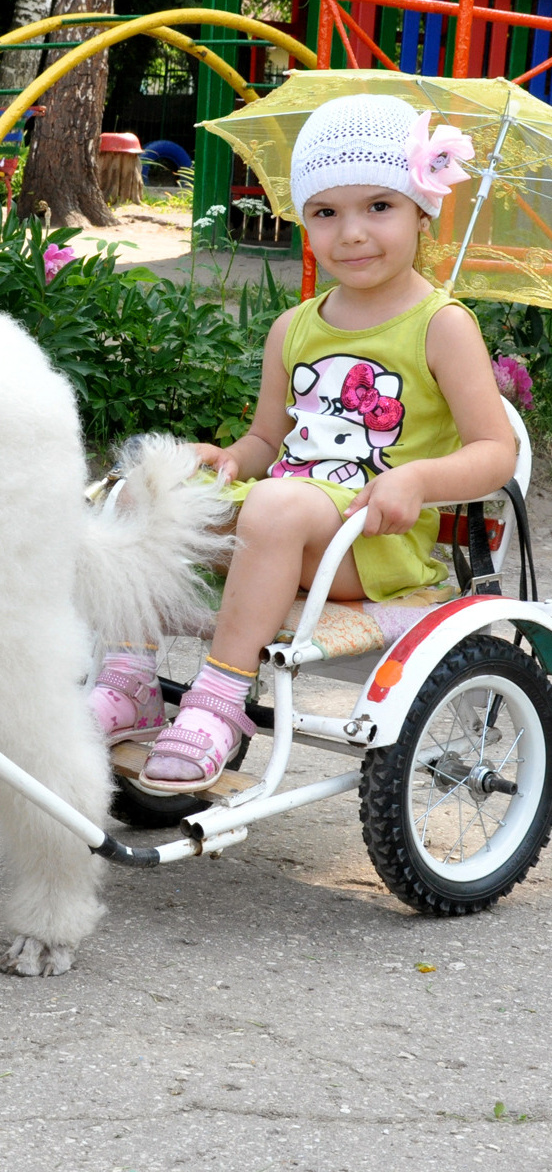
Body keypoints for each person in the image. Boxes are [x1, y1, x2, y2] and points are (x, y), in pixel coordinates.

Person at [91, 93, 517, 792]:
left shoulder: (442, 326)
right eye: (326, 212)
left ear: (422, 210)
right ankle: (130, 674)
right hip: (284, 515)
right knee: (151, 480)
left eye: (379, 206)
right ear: (304, 221)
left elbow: (495, 453)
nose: (351, 233)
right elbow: (268, 439)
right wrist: (227, 461)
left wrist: (416, 482)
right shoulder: (294, 327)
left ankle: (220, 700)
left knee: (277, 507)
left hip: (368, 540)